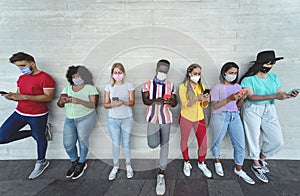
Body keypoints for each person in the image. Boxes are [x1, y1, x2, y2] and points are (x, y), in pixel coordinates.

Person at [240, 50, 299, 183]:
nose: (270, 66)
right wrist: (275, 96)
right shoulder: (248, 79)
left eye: (272, 63)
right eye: (268, 63)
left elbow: (279, 93)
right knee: (253, 136)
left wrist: (288, 95)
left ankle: (262, 157)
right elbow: (252, 97)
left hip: (269, 108)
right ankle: (256, 164)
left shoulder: (273, 77)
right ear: (261, 64)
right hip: (252, 108)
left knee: (277, 139)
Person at [0, 52, 55, 179]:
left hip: (37, 114)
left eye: (23, 65)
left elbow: (48, 97)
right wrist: (12, 97)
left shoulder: (46, 78)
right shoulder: (21, 78)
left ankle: (41, 162)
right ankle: (38, 132)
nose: (21, 68)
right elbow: (20, 96)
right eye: (18, 66)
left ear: (32, 63)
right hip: (20, 112)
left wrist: (24, 96)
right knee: (2, 137)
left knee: (39, 138)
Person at [210, 62, 254, 184]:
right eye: (231, 73)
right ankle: (217, 161)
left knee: (240, 144)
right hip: (220, 115)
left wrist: (242, 99)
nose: (233, 75)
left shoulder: (238, 87)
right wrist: (229, 99)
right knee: (217, 140)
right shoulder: (217, 87)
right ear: (224, 73)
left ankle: (238, 169)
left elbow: (238, 106)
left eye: (235, 73)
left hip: (235, 116)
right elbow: (215, 106)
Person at [141, 59, 177, 196]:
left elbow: (175, 103)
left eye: (165, 70)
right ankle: (157, 142)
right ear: (156, 69)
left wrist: (169, 101)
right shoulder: (147, 84)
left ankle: (161, 173)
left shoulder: (171, 86)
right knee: (152, 143)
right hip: (152, 118)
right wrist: (157, 100)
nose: (163, 72)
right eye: (161, 70)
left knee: (165, 145)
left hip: (166, 119)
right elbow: (145, 101)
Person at [57, 65, 99, 180]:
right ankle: (74, 161)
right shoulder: (67, 88)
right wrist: (62, 101)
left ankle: (81, 163)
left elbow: (93, 105)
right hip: (70, 118)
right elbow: (59, 104)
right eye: (74, 76)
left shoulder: (90, 88)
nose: (76, 78)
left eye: (78, 76)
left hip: (86, 117)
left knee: (82, 140)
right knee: (68, 144)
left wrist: (79, 101)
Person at [178, 63, 212, 178]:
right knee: (184, 141)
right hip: (186, 117)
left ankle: (201, 162)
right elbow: (185, 104)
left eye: (199, 74)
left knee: (203, 143)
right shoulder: (182, 87)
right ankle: (186, 161)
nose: (197, 76)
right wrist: (197, 98)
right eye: (195, 73)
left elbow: (203, 105)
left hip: (199, 118)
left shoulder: (200, 86)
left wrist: (206, 100)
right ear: (189, 73)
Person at [104, 63, 135, 181]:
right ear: (112, 74)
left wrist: (123, 102)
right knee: (115, 143)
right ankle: (115, 166)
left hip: (127, 119)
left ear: (124, 73)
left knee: (126, 143)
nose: (117, 75)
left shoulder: (129, 85)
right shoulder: (108, 87)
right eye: (115, 73)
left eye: (119, 72)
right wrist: (113, 104)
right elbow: (105, 105)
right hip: (113, 120)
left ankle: (128, 165)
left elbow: (132, 103)